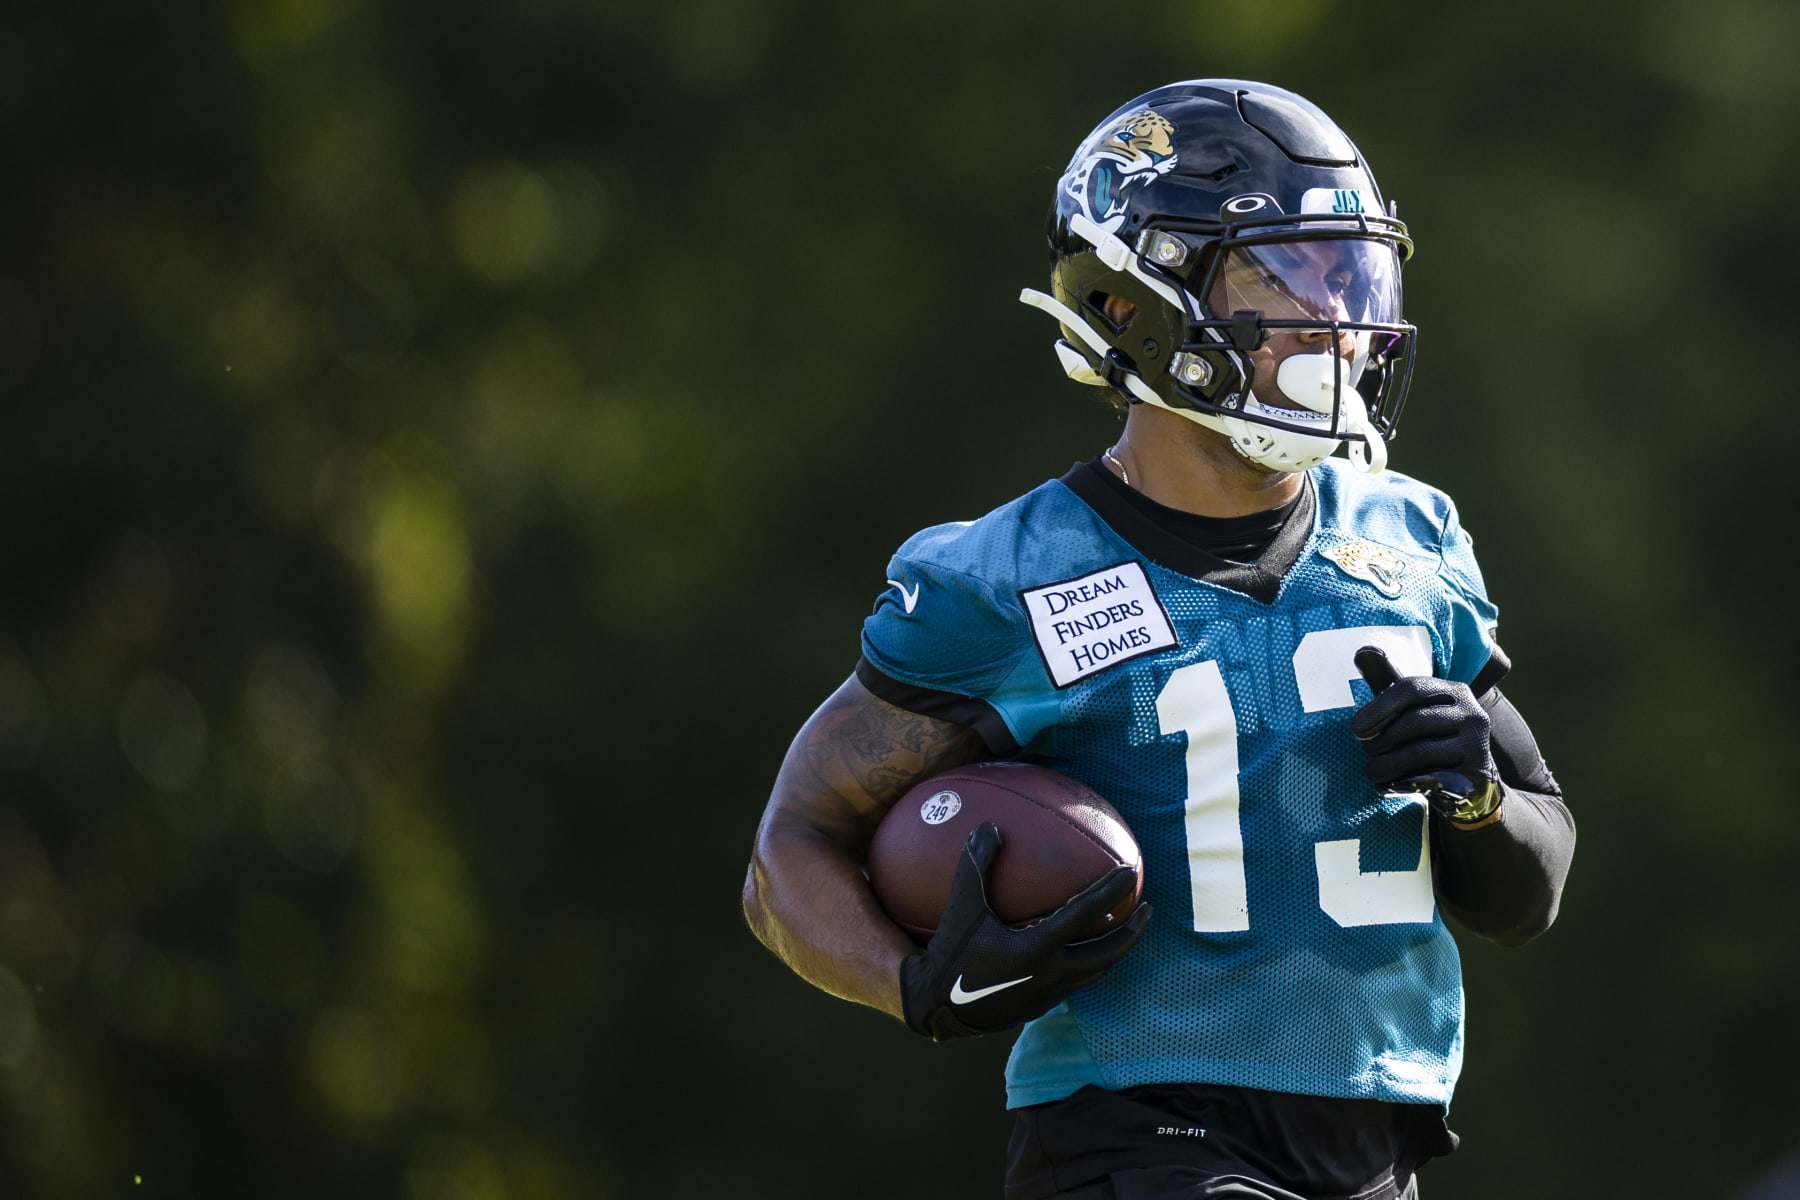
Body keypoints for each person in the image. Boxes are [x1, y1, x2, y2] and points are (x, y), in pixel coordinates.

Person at [742, 79, 1576, 1200]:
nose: (1333, 317)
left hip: (1374, 1141)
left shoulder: (1407, 540)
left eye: (1348, 272)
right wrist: (912, 981)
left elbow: (1530, 891)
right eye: (1283, 274)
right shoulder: (1011, 578)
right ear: (1144, 298)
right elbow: (787, 848)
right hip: (1134, 1134)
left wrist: (1474, 797)